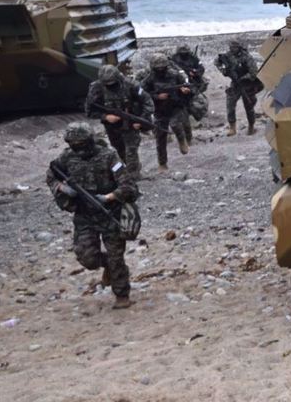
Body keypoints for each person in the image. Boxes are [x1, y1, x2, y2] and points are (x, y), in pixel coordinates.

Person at [46, 122, 139, 309]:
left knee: (116, 256)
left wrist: (109, 197)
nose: (79, 148)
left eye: (82, 143)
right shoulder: (66, 158)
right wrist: (63, 189)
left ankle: (122, 295)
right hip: (84, 215)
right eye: (74, 144)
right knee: (87, 258)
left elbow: (128, 186)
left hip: (110, 211)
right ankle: (109, 267)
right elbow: (51, 176)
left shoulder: (109, 156)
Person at [85, 64, 154, 179]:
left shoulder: (131, 84)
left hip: (132, 122)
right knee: (119, 148)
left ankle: (134, 176)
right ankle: (132, 168)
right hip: (112, 126)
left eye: (112, 83)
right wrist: (105, 117)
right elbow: (89, 111)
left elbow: (148, 102)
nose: (110, 86)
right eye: (107, 84)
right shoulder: (96, 88)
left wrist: (142, 119)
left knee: (131, 149)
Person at [140, 53, 192, 171]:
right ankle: (162, 163)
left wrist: (184, 90)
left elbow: (186, 86)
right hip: (159, 110)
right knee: (160, 137)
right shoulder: (149, 79)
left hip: (175, 107)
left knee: (175, 125)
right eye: (158, 68)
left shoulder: (174, 75)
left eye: (162, 67)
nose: (160, 69)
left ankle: (182, 140)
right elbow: (142, 94)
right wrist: (157, 96)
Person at [216, 39, 260, 136]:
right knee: (230, 104)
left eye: (235, 47)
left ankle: (251, 126)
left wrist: (243, 78)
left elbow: (253, 72)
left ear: (239, 47)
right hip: (235, 84)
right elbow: (217, 62)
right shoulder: (227, 56)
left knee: (249, 105)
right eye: (231, 47)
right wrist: (223, 70)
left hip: (247, 84)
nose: (233, 49)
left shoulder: (246, 57)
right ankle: (232, 127)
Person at [170, 44, 208, 140]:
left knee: (197, 104)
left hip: (192, 84)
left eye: (185, 53)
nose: (183, 55)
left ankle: (193, 119)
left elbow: (201, 68)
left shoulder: (193, 58)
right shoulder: (174, 59)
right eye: (181, 53)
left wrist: (194, 72)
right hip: (178, 85)